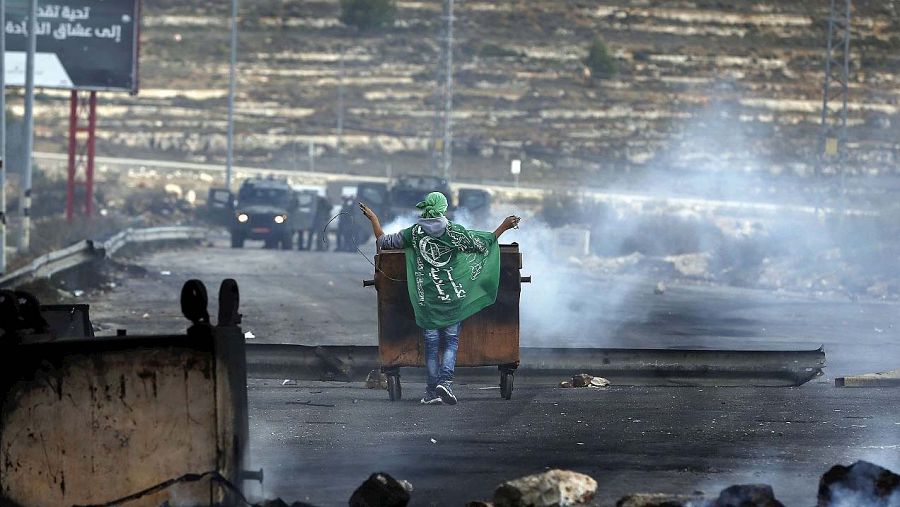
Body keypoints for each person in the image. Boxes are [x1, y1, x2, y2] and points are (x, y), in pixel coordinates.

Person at [360, 191, 520, 405]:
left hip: (426, 301)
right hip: (452, 298)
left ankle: (431, 391)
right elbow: (483, 244)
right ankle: (445, 383)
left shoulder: (414, 233)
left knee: (432, 346)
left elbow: (383, 242)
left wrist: (374, 219)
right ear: (443, 209)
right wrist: (504, 226)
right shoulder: (454, 232)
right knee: (451, 342)